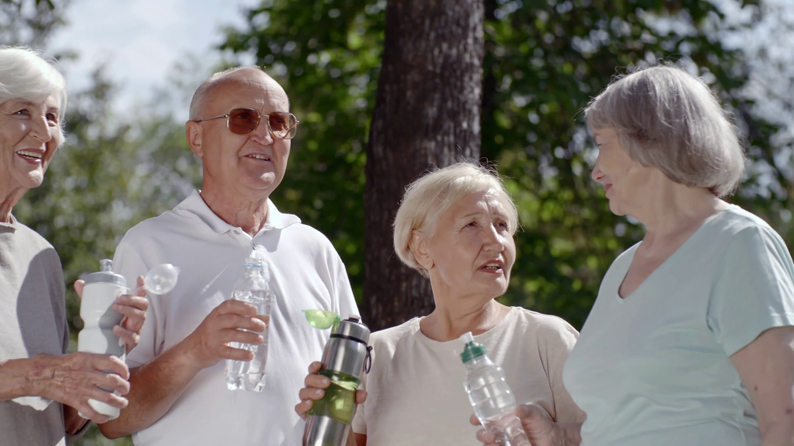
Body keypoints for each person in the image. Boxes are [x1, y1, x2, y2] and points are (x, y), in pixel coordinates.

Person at [482, 65, 794, 445]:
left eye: (601, 144)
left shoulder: (739, 243)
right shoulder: (622, 268)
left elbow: (784, 419)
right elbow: (633, 421)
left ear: (649, 140)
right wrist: (560, 437)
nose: (595, 172)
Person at [98, 66, 359, 446]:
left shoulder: (315, 248)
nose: (265, 135)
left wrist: (340, 400)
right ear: (196, 137)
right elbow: (113, 418)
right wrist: (195, 351)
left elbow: (355, 398)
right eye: (243, 119)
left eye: (279, 122)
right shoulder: (148, 245)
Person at [296, 162, 586, 446]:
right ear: (422, 249)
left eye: (502, 225)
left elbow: (618, 435)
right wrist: (325, 412)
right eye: (472, 224)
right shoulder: (380, 353)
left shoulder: (548, 340)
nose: (496, 242)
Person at [0, 47, 148, 445]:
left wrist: (101, 358)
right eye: (21, 112)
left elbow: (58, 420)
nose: (43, 132)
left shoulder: (40, 256)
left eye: (51, 117)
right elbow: (40, 377)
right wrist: (45, 372)